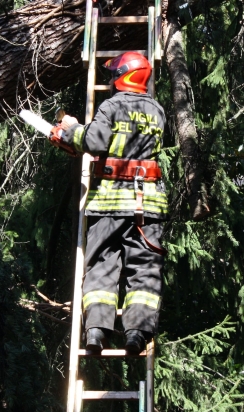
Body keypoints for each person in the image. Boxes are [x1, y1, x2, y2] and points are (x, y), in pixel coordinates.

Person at [51, 51, 168, 354]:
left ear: (123, 76)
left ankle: (95, 333)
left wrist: (70, 130)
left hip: (109, 205)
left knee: (102, 266)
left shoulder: (112, 105)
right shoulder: (157, 111)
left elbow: (94, 142)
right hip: (147, 207)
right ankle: (137, 335)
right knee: (143, 270)